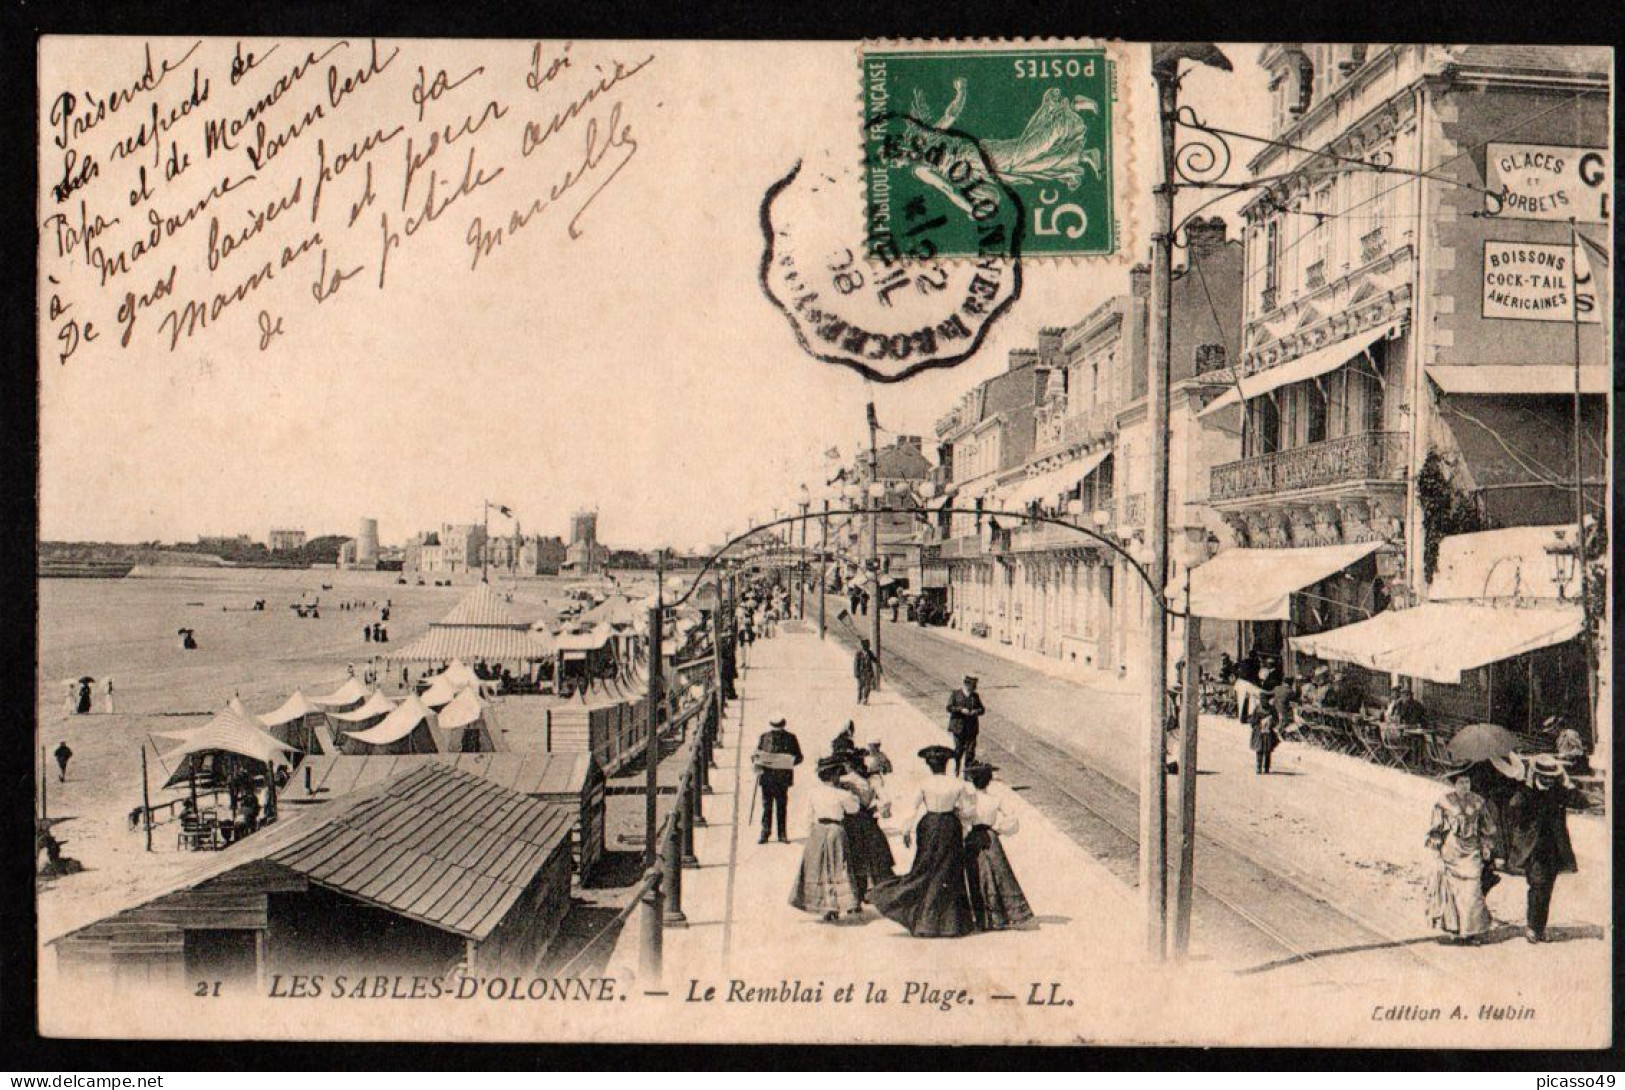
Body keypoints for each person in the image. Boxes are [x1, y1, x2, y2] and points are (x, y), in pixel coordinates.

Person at [868, 745, 976, 938]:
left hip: (929, 824)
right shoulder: (958, 784)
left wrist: (906, 830)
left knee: (925, 868)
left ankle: (925, 921)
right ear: (947, 764)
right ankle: (952, 924)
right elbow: (968, 811)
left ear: (929, 765)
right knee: (949, 870)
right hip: (950, 825)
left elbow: (912, 808)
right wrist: (960, 817)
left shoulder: (924, 784)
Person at [1499, 754, 1581, 943]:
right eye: (1544, 776)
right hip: (1532, 849)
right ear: (1536, 775)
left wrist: (1568, 783)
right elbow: (1514, 808)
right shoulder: (1526, 792)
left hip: (1554, 848)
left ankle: (1539, 927)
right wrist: (1527, 786)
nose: (1548, 780)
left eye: (1552, 777)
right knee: (1537, 886)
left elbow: (1581, 802)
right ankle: (1533, 928)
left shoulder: (1559, 790)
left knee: (1546, 888)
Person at [961, 762, 1035, 931]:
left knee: (976, 875)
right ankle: (1000, 917)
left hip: (973, 838)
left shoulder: (970, 800)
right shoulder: (995, 800)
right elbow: (1012, 816)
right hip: (991, 837)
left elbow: (963, 818)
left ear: (972, 780)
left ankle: (981, 918)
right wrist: (999, 829)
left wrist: (965, 832)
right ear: (989, 781)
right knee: (998, 875)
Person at [1425, 771, 1497, 944]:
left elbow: (1486, 827)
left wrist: (1486, 846)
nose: (1465, 786)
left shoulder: (1478, 802)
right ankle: (1455, 929)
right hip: (1452, 851)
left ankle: (1472, 932)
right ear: (1454, 784)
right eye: (1461, 782)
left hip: (1471, 851)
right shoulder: (1445, 802)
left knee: (1472, 890)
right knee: (1454, 892)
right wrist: (1436, 846)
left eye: (1468, 782)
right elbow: (1436, 827)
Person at [788, 757, 861, 921]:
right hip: (836, 829)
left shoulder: (813, 793)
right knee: (838, 866)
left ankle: (824, 906)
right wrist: (852, 793)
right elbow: (853, 809)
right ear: (835, 776)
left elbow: (807, 816)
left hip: (818, 830)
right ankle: (840, 903)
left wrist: (810, 835)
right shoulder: (842, 794)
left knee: (819, 869)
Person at [837, 752, 895, 908]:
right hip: (868, 820)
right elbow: (886, 800)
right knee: (873, 856)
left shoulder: (845, 780)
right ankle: (873, 890)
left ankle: (857, 893)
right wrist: (879, 809)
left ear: (848, 765)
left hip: (851, 821)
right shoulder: (873, 780)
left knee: (854, 856)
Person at [753, 717, 804, 844]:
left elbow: (799, 757)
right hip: (767, 777)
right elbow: (756, 754)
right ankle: (765, 832)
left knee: (781, 806)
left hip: (782, 778)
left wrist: (788, 762)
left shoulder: (791, 738)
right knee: (767, 806)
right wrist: (757, 761)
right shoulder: (764, 737)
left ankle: (782, 834)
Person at [946, 675, 984, 777]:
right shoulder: (955, 694)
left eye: (973, 686)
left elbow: (982, 709)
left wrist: (975, 711)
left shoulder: (975, 696)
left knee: (970, 751)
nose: (972, 688)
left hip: (971, 728)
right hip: (958, 727)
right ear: (965, 684)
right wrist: (960, 710)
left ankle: (967, 773)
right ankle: (956, 770)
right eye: (971, 685)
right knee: (959, 750)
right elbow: (949, 707)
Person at [1248, 703, 1277, 774]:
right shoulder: (1272, 708)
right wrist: (1270, 724)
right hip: (1268, 731)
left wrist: (1256, 725)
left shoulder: (1257, 708)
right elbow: (1276, 721)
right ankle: (1266, 767)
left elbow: (1253, 721)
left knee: (1259, 749)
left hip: (1259, 730)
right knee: (1268, 749)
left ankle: (1258, 767)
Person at [854, 640, 878, 704]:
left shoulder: (870, 653)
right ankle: (859, 699)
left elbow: (874, 659)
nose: (866, 648)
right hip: (861, 672)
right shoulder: (858, 654)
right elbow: (856, 664)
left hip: (868, 672)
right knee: (860, 686)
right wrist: (856, 673)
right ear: (862, 647)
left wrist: (877, 661)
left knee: (868, 686)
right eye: (865, 647)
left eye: (867, 646)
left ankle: (865, 699)